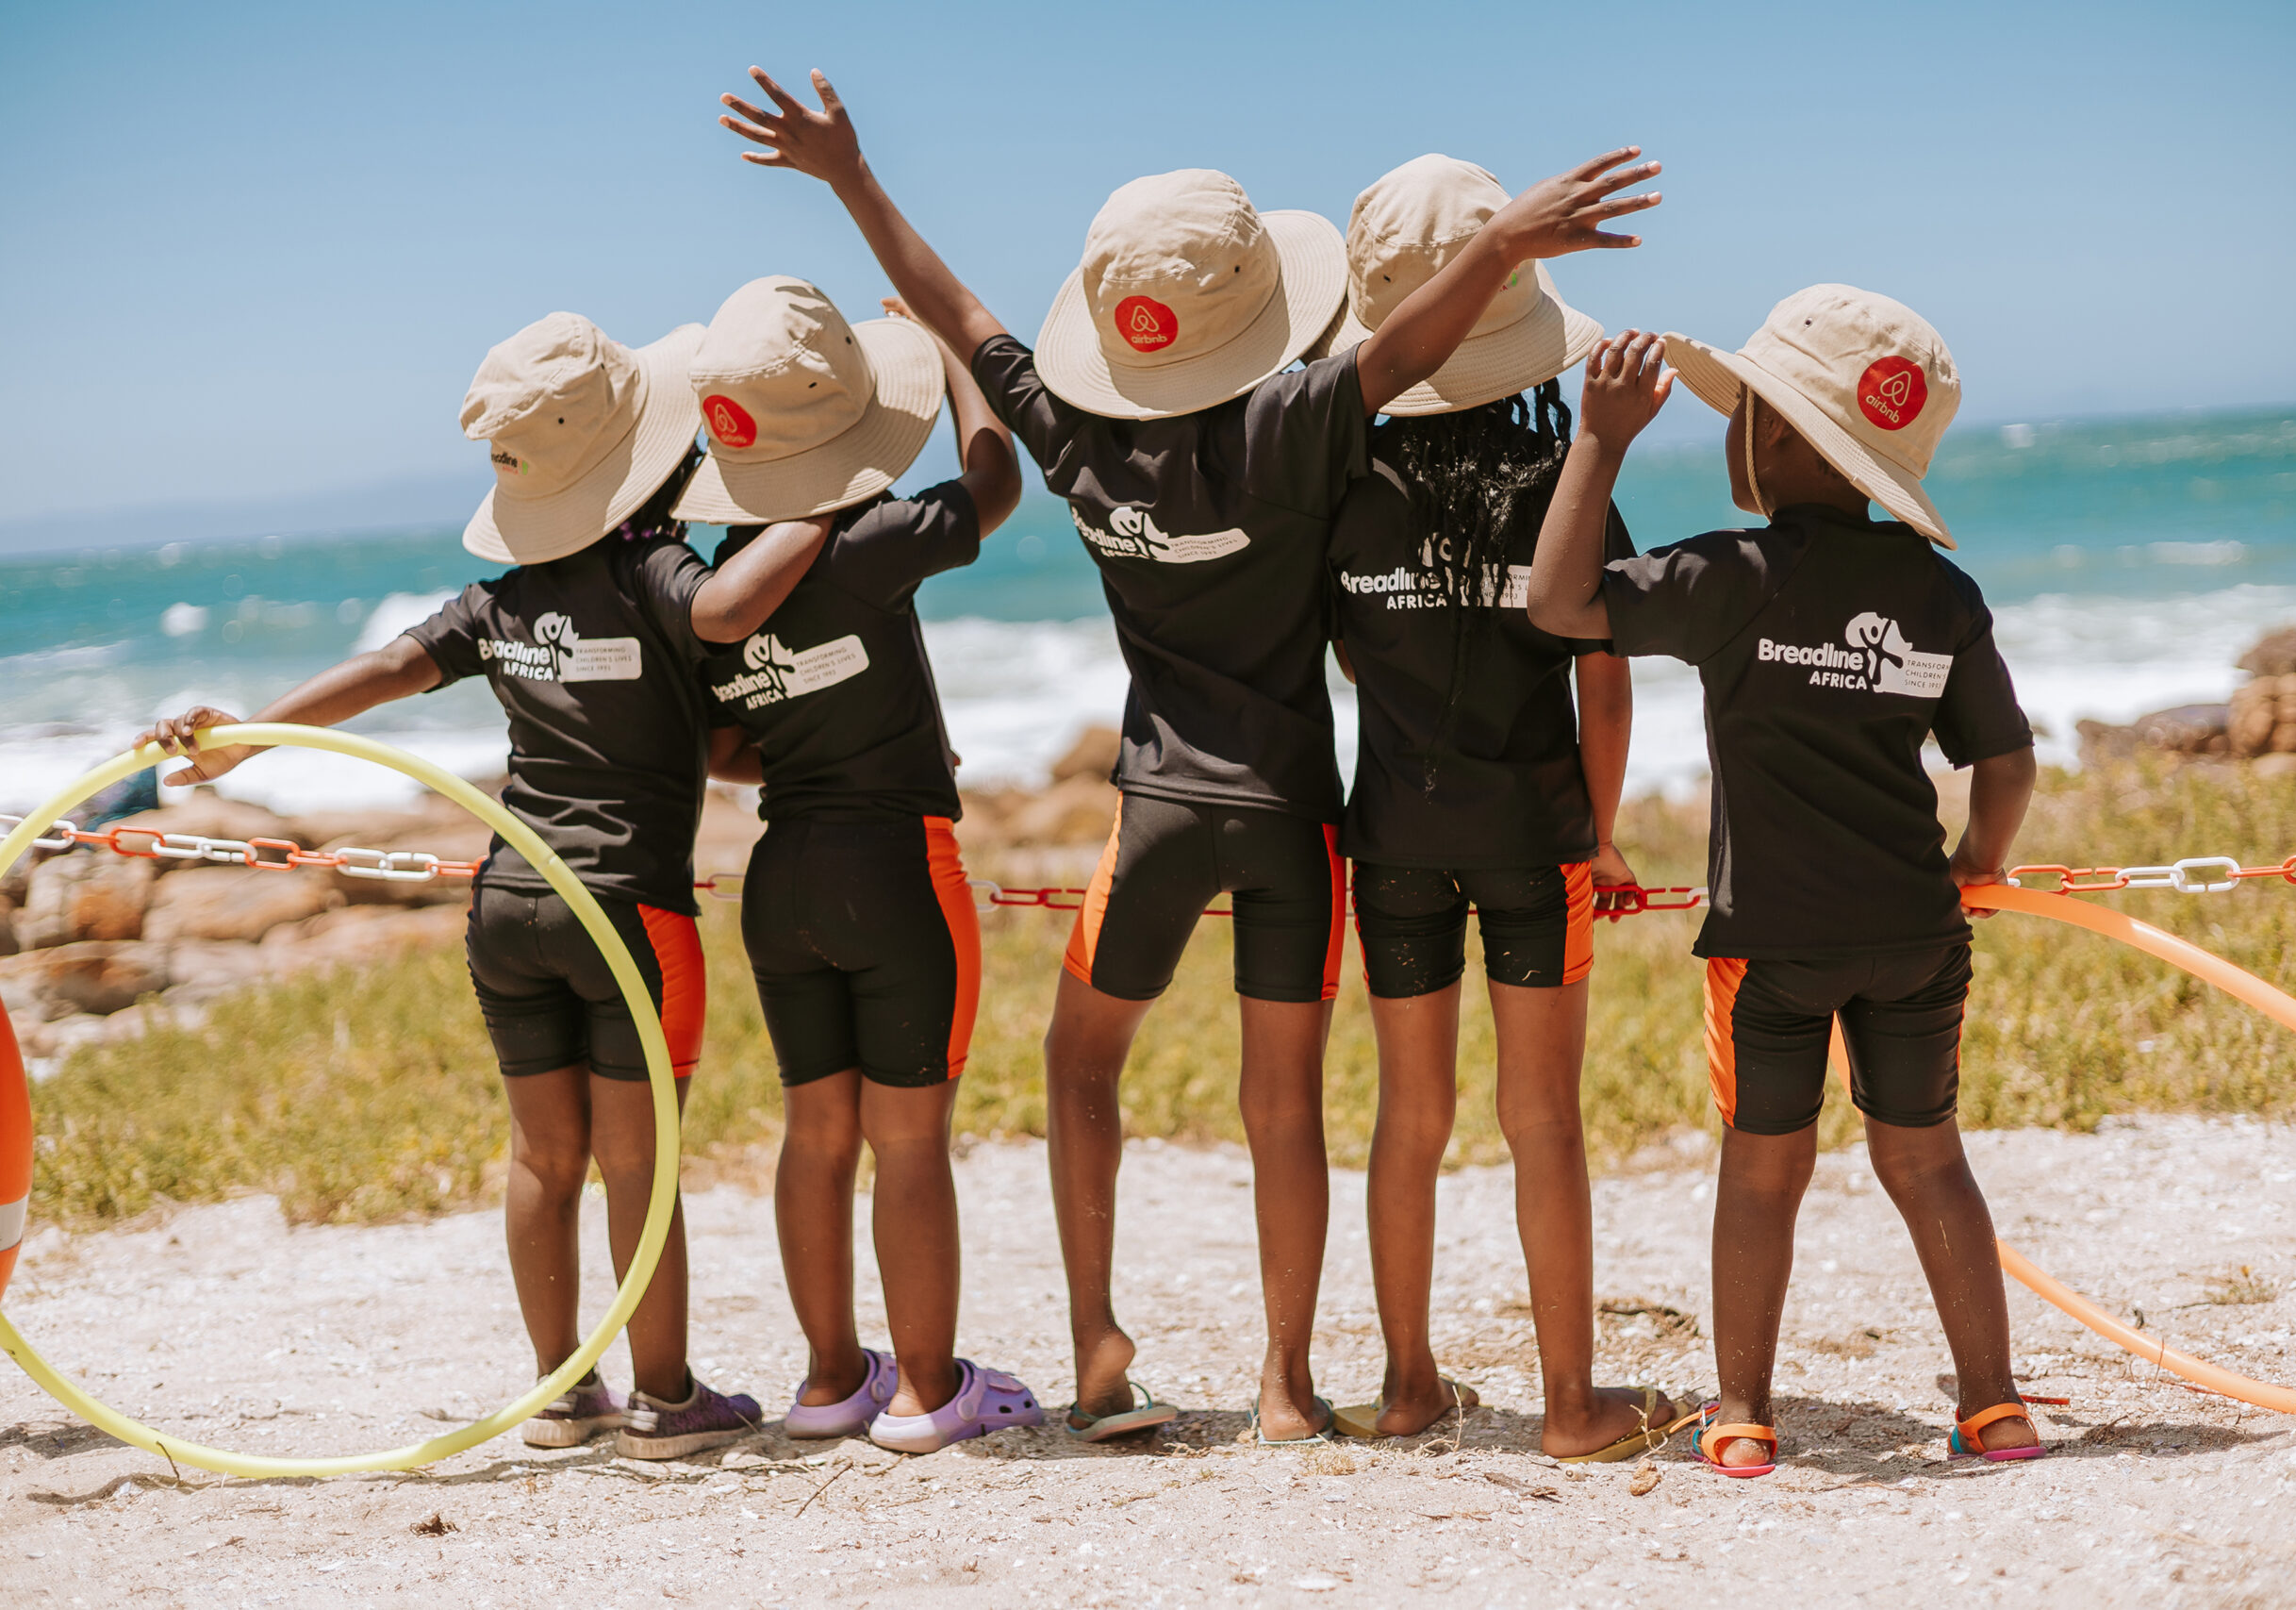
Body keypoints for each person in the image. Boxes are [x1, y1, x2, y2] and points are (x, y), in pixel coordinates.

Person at [716, 61, 1661, 1442]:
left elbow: (961, 314)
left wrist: (851, 177)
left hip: (1155, 812)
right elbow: (1404, 358)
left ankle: (1099, 1346)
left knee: (1079, 1063)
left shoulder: (1079, 439)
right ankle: (1286, 1384)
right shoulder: (1292, 430)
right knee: (1283, 1104)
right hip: (1295, 821)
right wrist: (1503, 243)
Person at [141, 311, 824, 1459]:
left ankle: (562, 1393)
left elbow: (383, 671)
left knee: (542, 1159)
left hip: (510, 906)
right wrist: (833, 501)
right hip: (627, 914)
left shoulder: (498, 602)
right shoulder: (661, 574)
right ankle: (665, 1400)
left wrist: (243, 739)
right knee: (637, 1164)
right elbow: (725, 708)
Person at [1526, 290, 2044, 1474]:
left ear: (1777, 433)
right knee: (1926, 1159)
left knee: (1764, 1171)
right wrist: (1975, 864)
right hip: (1915, 936)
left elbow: (1559, 602)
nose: (1732, 426)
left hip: (1768, 946)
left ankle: (1744, 1417)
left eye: (1745, 408)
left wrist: (1598, 439)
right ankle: (1995, 1407)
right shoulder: (1937, 591)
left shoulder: (1732, 574)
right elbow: (2005, 763)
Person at [1320, 155, 1691, 1461]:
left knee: (1408, 1117)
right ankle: (1571, 1405)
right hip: (1536, 839)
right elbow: (1606, 680)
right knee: (1542, 1120)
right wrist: (1600, 830)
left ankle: (1407, 1384)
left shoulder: (1344, 484)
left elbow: (1345, 657)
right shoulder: (1559, 477)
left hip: (1392, 838)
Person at [672, 274, 1033, 1452]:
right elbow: (994, 483)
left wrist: (815, 737)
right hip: (895, 869)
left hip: (782, 876)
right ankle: (929, 1391)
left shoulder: (714, 576)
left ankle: (832, 1381)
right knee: (910, 1138)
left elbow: (719, 747)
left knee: (816, 1135)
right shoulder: (865, 540)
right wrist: (954, 353)